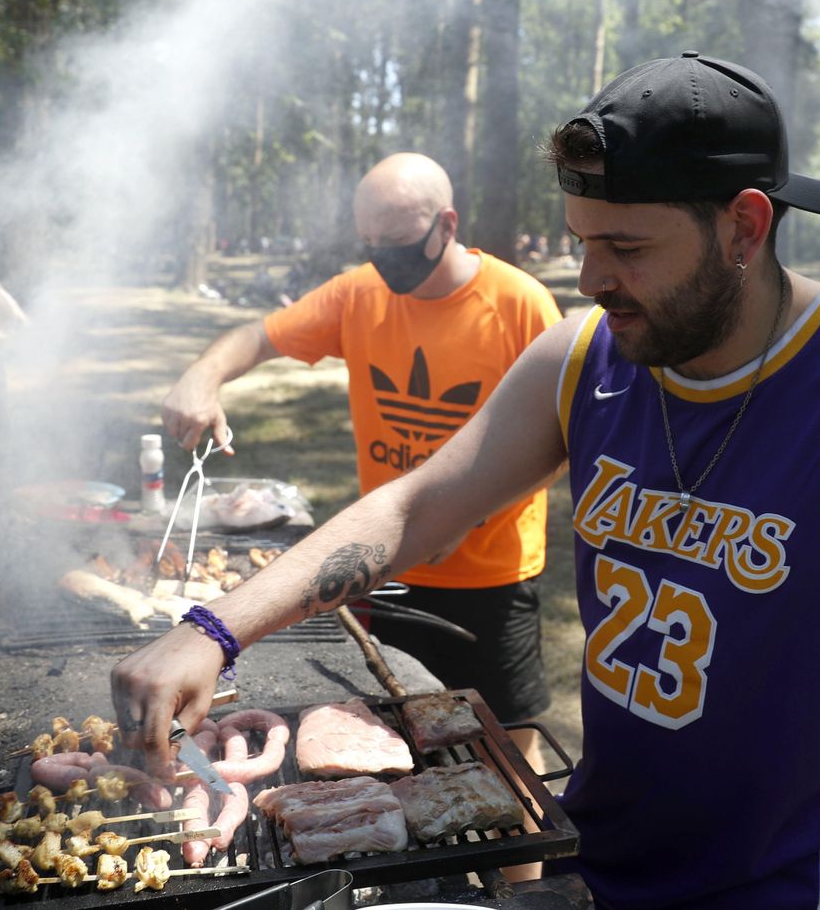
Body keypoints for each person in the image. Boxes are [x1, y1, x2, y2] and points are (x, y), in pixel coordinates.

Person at [117, 54, 820, 909]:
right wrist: (213, 630)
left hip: (780, 889)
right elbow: (415, 505)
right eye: (581, 241)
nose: (592, 276)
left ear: (746, 226)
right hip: (588, 863)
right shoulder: (584, 360)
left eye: (628, 248)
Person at [160, 152, 563, 777]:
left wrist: (462, 516)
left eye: (397, 241)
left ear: (447, 225)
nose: (381, 257)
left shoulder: (521, 304)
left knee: (505, 750)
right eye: (369, 241)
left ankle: (528, 878)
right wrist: (203, 373)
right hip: (387, 565)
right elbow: (258, 337)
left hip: (493, 579)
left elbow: (556, 446)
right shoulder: (358, 295)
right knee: (398, 740)